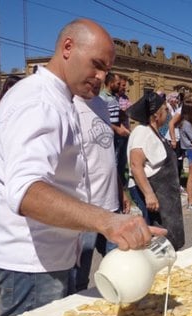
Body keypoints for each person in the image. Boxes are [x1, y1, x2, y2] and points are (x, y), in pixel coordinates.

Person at [0, 19, 155, 316]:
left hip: (50, 255)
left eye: (106, 69)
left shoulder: (61, 99)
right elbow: (26, 192)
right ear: (68, 47)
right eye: (97, 65)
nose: (101, 76)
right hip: (32, 262)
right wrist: (107, 221)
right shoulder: (39, 102)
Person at [69, 87, 130, 294]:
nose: (100, 77)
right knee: (79, 277)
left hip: (111, 204)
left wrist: (120, 189)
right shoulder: (69, 106)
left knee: (117, 268)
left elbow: (108, 155)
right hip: (87, 208)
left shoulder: (102, 106)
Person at [127, 92, 185, 250]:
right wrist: (149, 194)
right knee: (155, 236)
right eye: (165, 110)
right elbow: (135, 165)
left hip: (165, 193)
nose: (167, 113)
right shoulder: (141, 132)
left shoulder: (156, 133)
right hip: (153, 192)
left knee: (169, 234)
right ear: (155, 115)